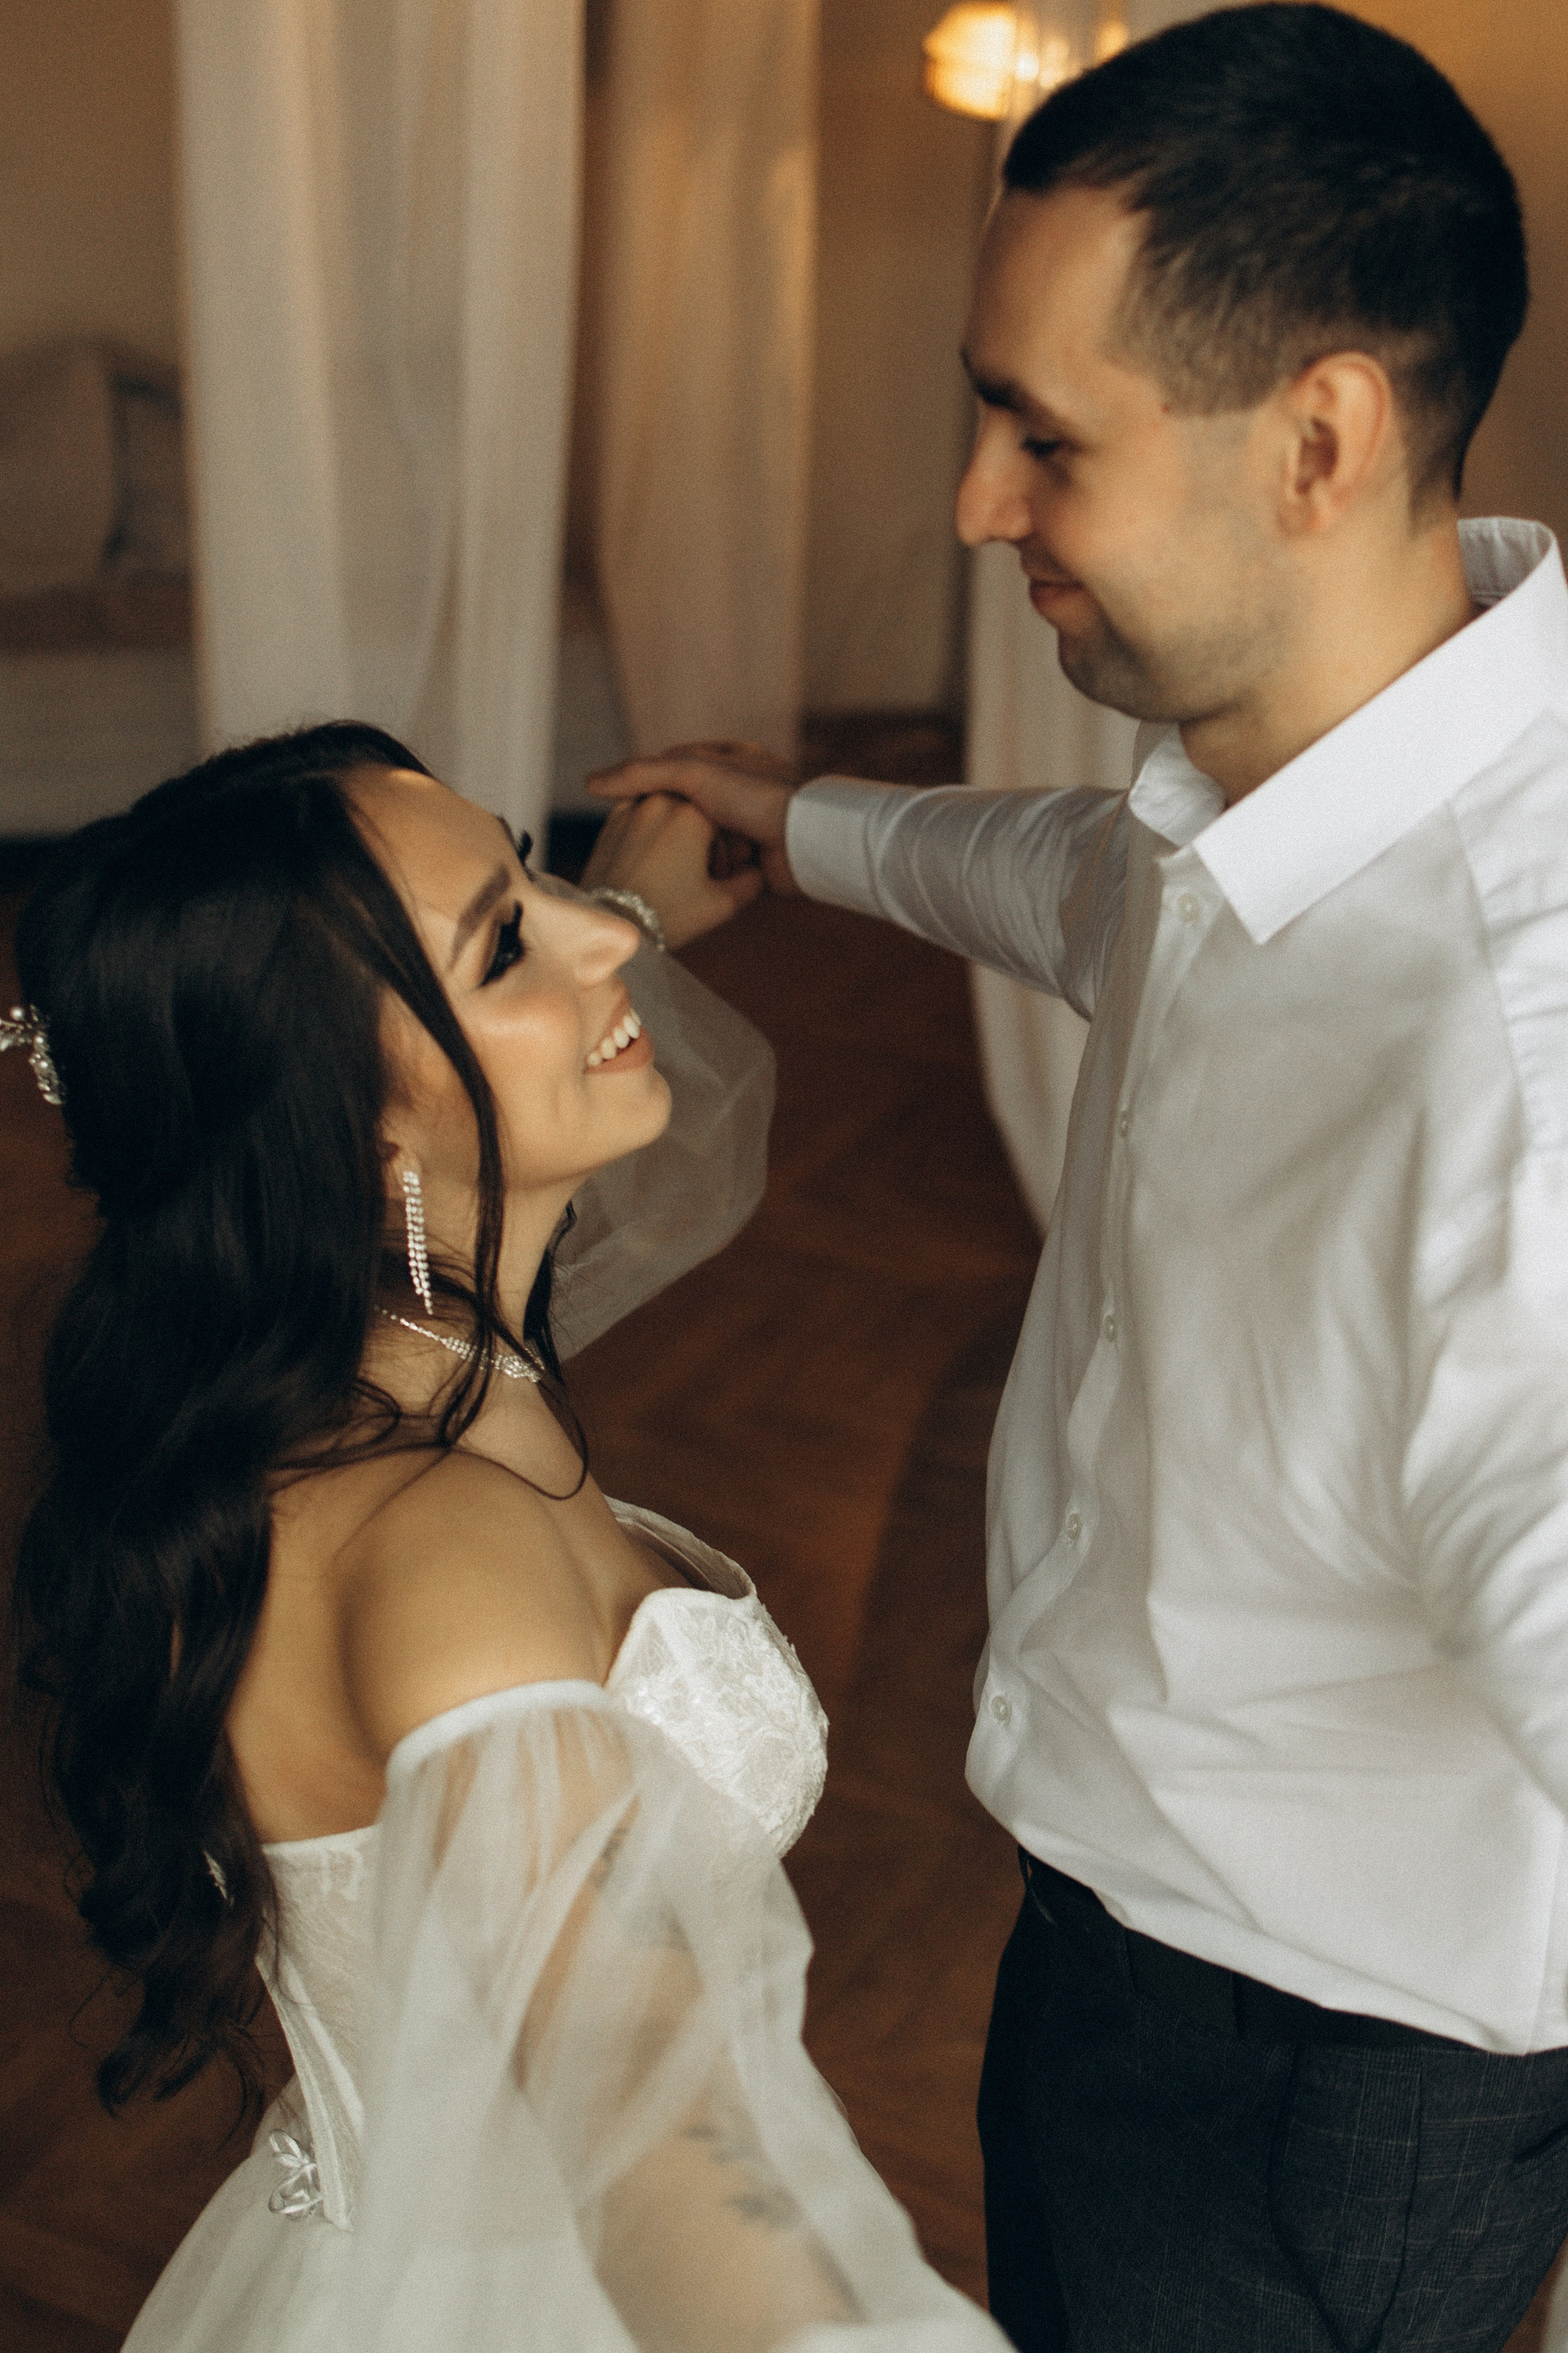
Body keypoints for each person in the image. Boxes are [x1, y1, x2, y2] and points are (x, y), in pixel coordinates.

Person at [590, 7, 1568, 2349]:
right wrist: (807, 824)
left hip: (1307, 2078)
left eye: (1046, 439)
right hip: (1121, 1939)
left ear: (1317, 438)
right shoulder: (1299, 783)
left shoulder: (1511, 1079)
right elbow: (1086, 888)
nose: (972, 504)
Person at [5, 721, 1010, 2352]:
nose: (603, 935)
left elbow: (509, 1128)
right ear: (358, 1126)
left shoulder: (372, 1356)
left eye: (537, 869)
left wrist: (621, 919)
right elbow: (651, 2124)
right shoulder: (444, 1553)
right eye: (509, 944)